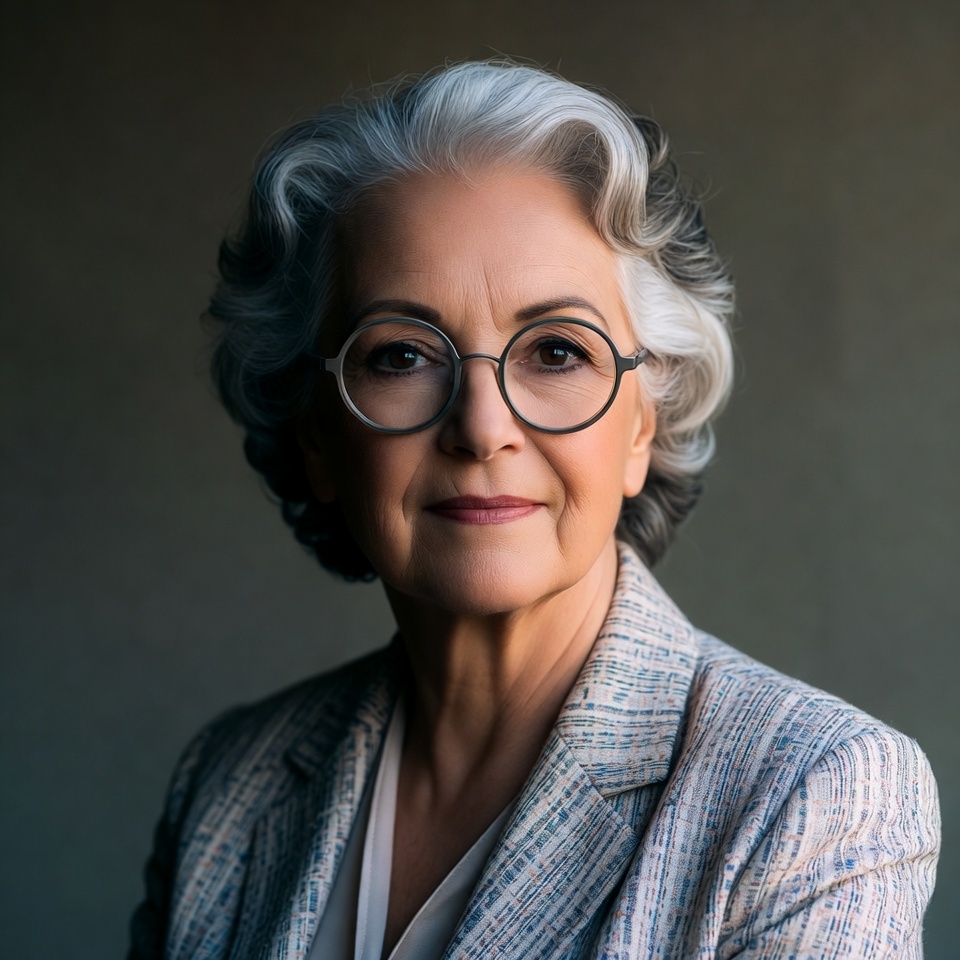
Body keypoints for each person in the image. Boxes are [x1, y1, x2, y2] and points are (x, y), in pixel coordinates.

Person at [128, 61, 940, 960]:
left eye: (556, 352)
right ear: (316, 433)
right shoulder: (227, 784)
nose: (482, 429)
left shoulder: (811, 794)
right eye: (401, 356)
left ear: (642, 426)